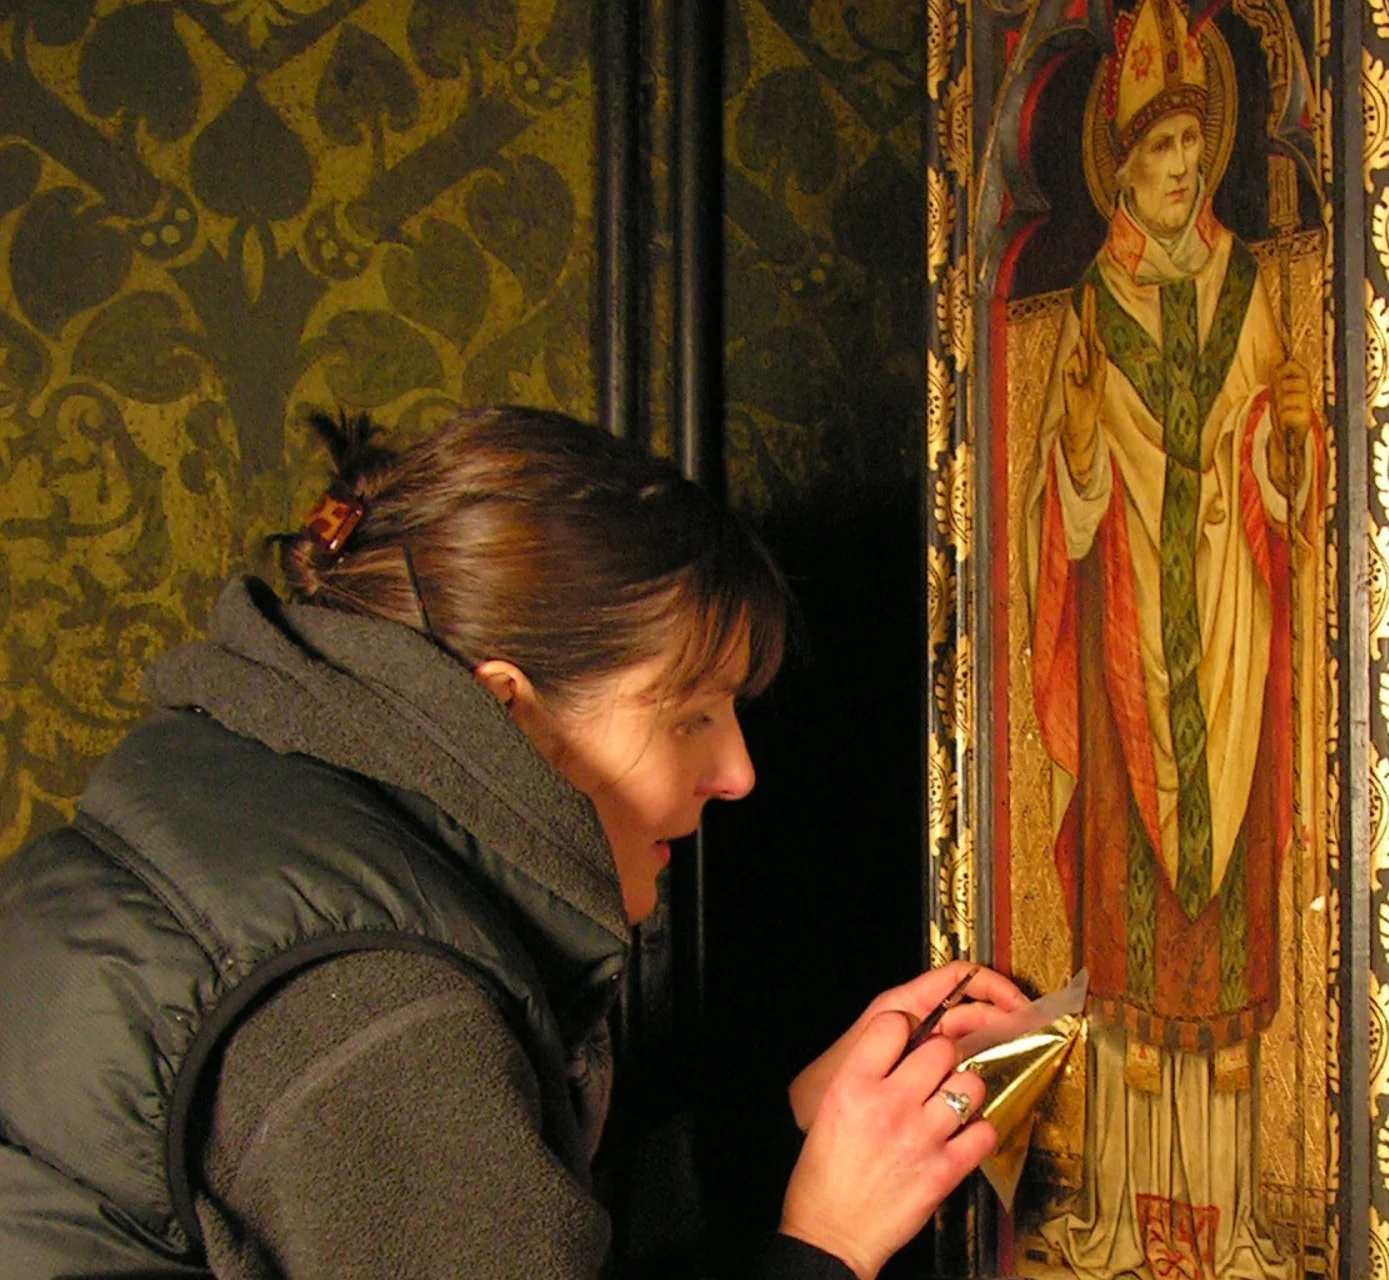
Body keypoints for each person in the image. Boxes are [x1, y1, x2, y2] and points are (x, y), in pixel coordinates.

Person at [0, 406, 1027, 1279]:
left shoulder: (254, 798)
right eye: (690, 715)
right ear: (513, 714)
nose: (740, 772)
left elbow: (480, 1217)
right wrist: (824, 1243)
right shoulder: (374, 1002)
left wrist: (783, 1133)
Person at [1022, 3, 1319, 1275]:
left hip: (1235, 640)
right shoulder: (1092, 307)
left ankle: (1237, 1221)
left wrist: (1289, 440)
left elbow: (1276, 466)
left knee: (1228, 934)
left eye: (1196, 154)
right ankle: (1123, 1221)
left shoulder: (1252, 288)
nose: (1182, 174)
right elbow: (1062, 493)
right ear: (1119, 171)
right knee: (1133, 941)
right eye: (1158, 159)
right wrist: (1083, 438)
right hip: (1128, 645)